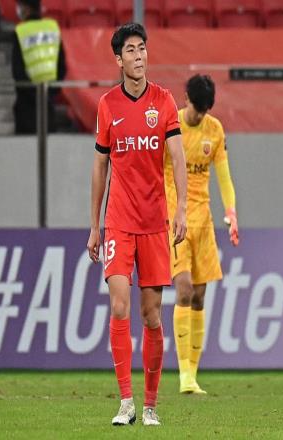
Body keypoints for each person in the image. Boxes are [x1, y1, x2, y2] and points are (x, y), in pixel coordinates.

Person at [87, 23, 187, 426]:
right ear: (118, 59)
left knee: (151, 315)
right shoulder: (107, 105)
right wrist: (94, 226)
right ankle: (126, 402)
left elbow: (177, 157)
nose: (139, 55)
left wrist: (181, 210)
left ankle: (149, 406)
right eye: (130, 50)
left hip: (154, 222)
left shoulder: (163, 101)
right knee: (118, 304)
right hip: (118, 221)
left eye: (142, 48)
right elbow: (100, 165)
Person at [164, 74, 239, 394]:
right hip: (175, 219)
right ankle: (184, 374)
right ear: (186, 100)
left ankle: (192, 375)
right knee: (182, 289)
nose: (199, 116)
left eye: (204, 111)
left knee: (199, 295)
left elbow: (224, 176)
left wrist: (231, 212)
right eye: (196, 110)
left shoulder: (215, 130)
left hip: (204, 221)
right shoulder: (171, 126)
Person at [12, 0, 67, 134]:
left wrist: (32, 93)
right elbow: (62, 66)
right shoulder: (52, 28)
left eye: (20, 6)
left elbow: (17, 71)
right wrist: (50, 92)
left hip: (26, 104)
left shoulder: (21, 31)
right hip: (48, 101)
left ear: (26, 8)